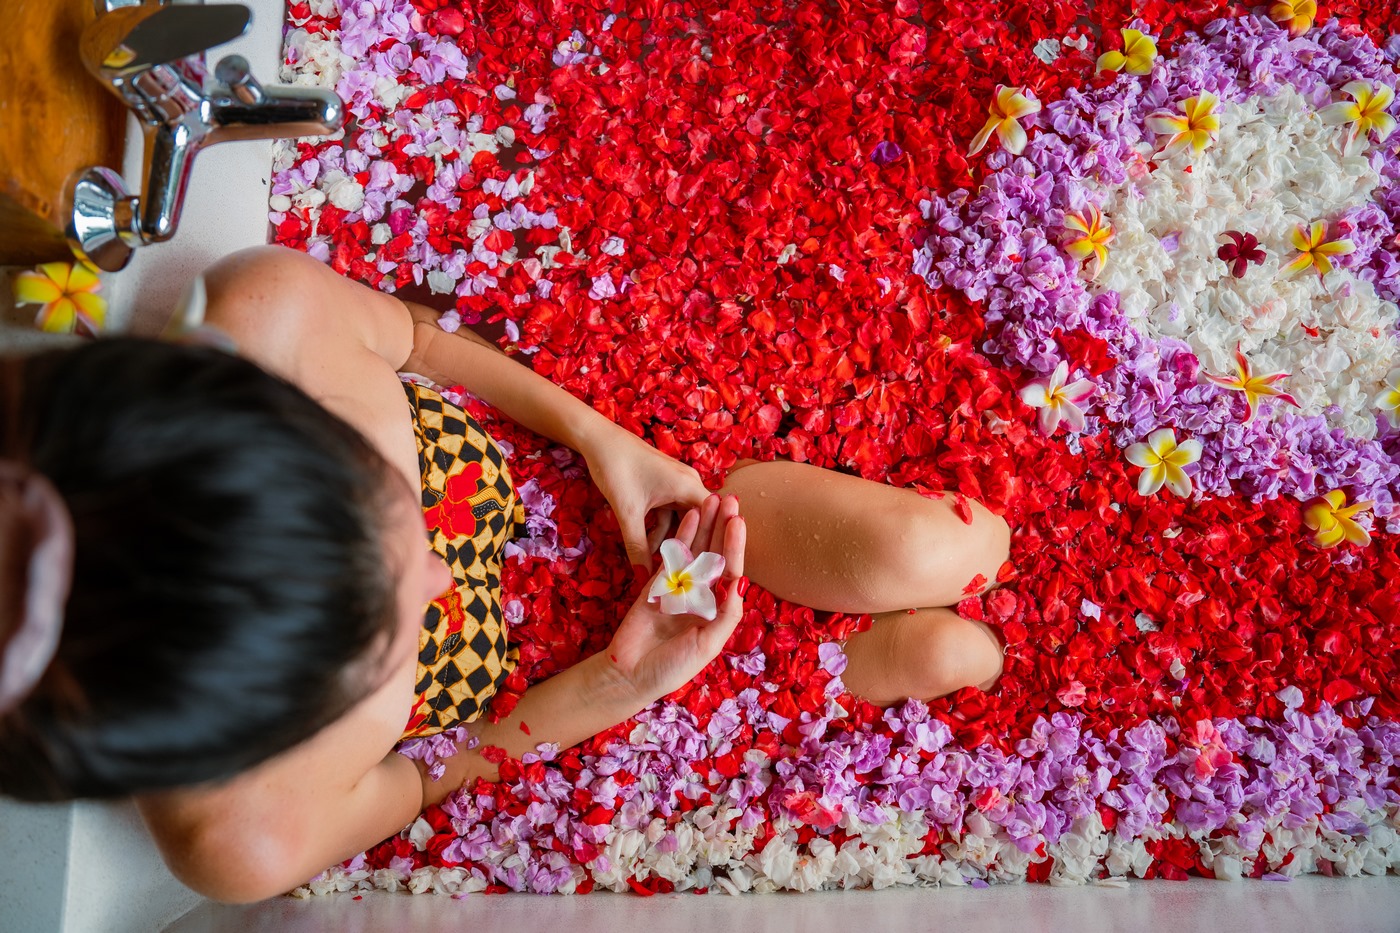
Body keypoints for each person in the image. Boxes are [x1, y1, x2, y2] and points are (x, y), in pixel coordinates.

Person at [0, 245, 1009, 903]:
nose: (439, 577)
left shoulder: (273, 323)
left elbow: (426, 341)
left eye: (388, 506)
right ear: (239, 734)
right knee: (957, 653)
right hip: (597, 684)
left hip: (624, 473)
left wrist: (597, 436)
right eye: (378, 649)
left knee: (930, 552)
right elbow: (440, 770)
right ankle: (842, 668)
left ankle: (876, 588)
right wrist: (619, 685)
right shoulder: (243, 835)